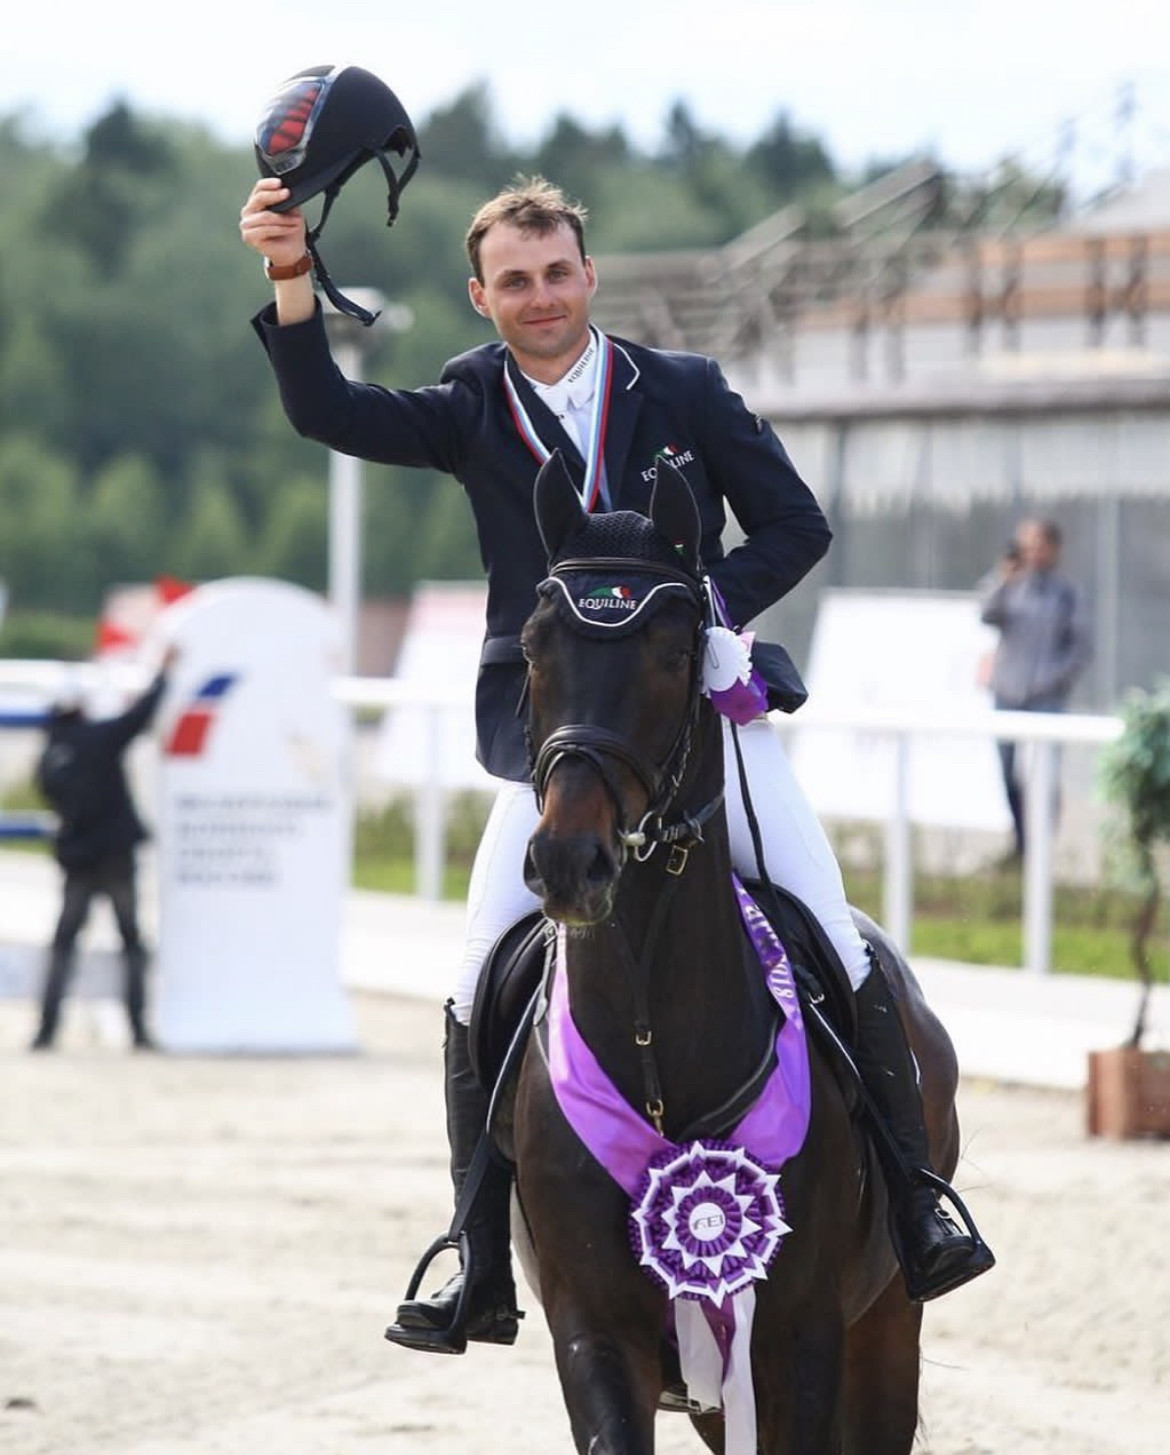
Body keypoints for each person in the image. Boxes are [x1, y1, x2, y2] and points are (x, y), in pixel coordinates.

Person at [240, 170, 992, 1329]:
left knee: (837, 937)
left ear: (588, 276)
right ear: (481, 296)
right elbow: (327, 413)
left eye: (557, 274)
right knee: (475, 981)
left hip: (696, 722)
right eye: (514, 282)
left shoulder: (682, 389)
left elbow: (796, 523)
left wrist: (701, 611)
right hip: (555, 745)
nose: (540, 297)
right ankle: (478, 1256)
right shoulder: (471, 399)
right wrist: (293, 274)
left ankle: (914, 1200)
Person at [30, 648, 178, 1051]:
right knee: (131, 942)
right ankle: (138, 1030)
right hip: (115, 856)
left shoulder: (49, 756)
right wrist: (164, 675)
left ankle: (47, 1030)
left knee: (64, 945)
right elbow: (138, 717)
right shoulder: (99, 738)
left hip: (78, 860)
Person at [979, 518, 1092, 862]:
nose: (1032, 552)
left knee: (1044, 774)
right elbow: (986, 614)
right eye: (1026, 545)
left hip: (1046, 697)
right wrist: (1004, 578)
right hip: (1008, 693)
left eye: (1038, 545)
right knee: (1007, 769)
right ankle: (1020, 843)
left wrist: (1052, 680)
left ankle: (1042, 847)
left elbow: (1080, 648)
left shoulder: (1067, 593)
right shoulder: (1010, 585)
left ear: (1054, 549)